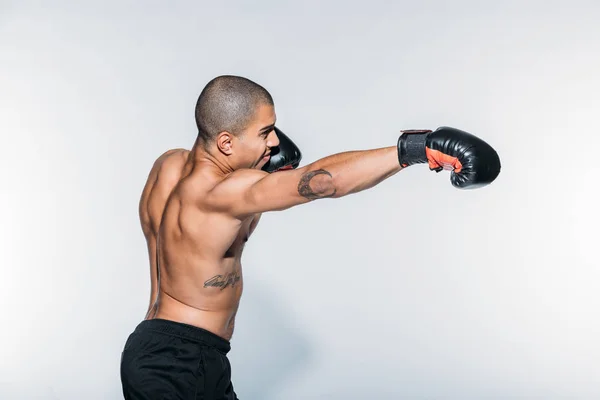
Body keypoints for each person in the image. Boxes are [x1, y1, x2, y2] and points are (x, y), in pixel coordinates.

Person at [120, 75, 501, 399]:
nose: (273, 143)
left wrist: (260, 168)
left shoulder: (168, 165)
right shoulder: (224, 193)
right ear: (226, 142)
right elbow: (324, 182)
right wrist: (418, 148)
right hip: (178, 363)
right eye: (264, 133)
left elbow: (208, 231)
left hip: (162, 349)